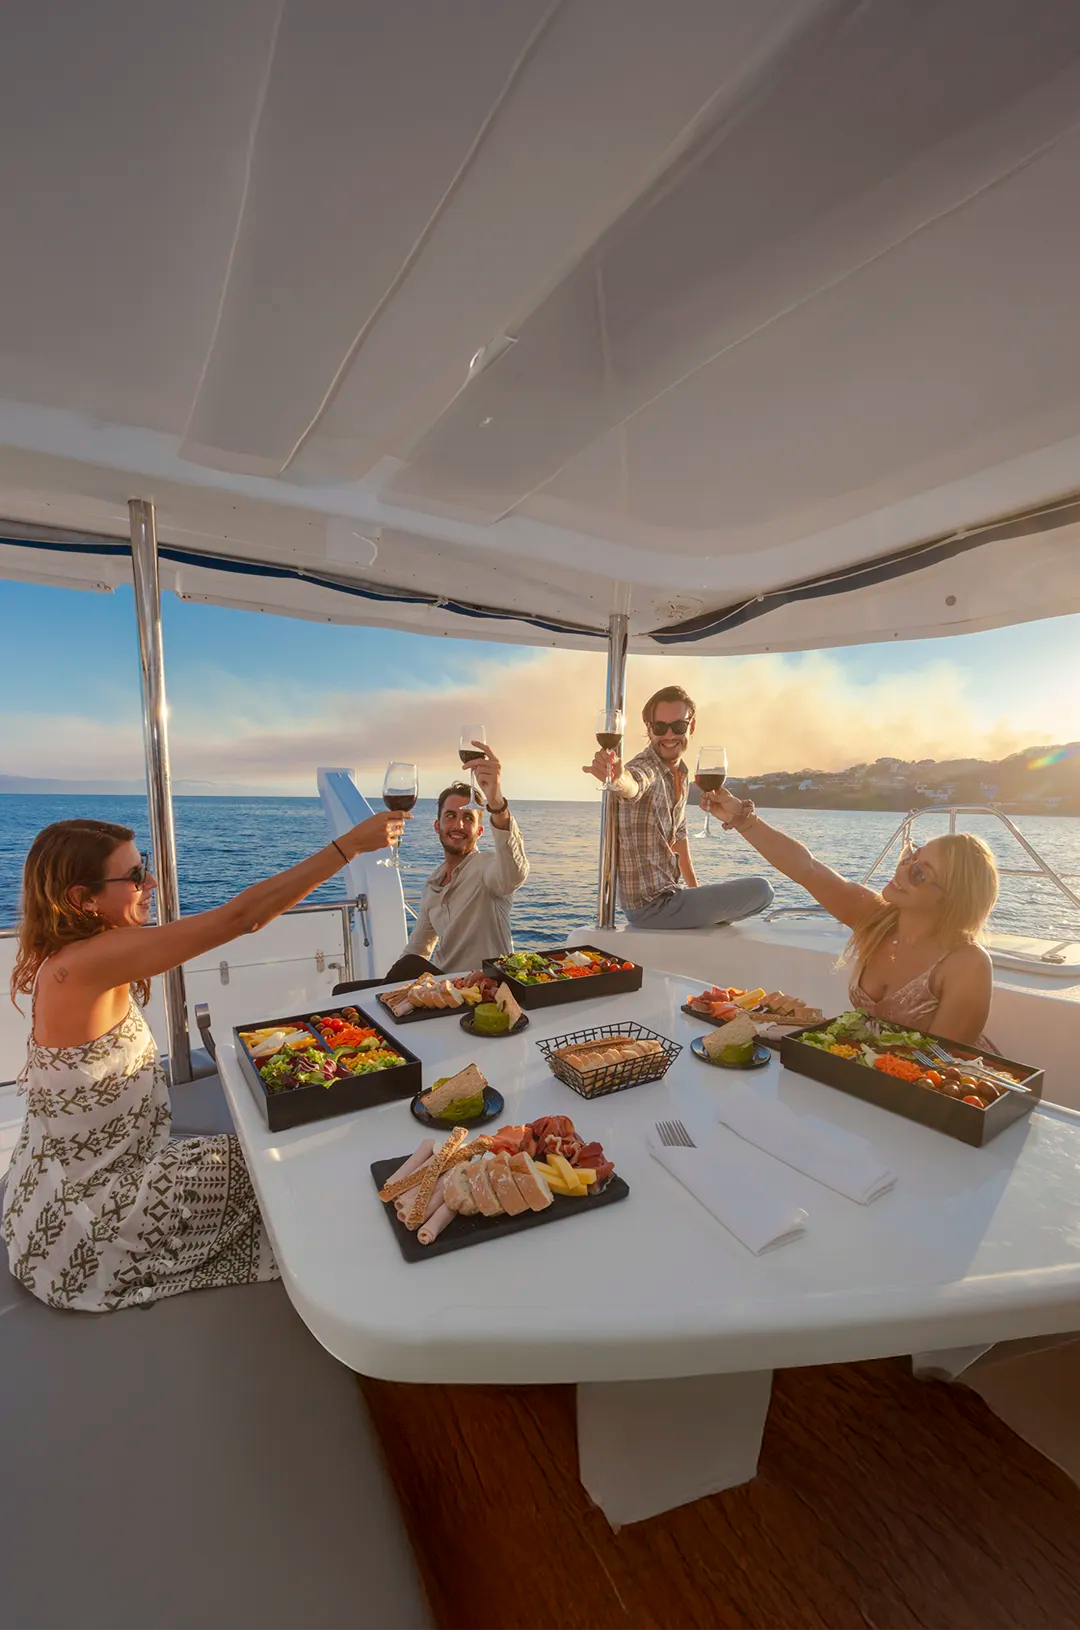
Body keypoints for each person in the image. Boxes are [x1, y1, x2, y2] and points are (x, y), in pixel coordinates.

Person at [2, 808, 404, 1312]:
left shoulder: (71, 956)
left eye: (142, 863)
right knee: (296, 1167)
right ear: (81, 900)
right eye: (132, 876)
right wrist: (349, 848)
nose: (149, 880)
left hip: (58, 1197)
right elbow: (243, 919)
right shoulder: (84, 965)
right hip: (95, 1222)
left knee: (279, 1149)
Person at [706, 785, 998, 1045]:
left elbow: (942, 1064)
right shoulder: (879, 920)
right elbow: (807, 868)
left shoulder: (965, 964)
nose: (902, 870)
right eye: (910, 856)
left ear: (952, 899)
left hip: (930, 1090)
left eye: (920, 873)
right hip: (868, 1074)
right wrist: (743, 820)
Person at [583, 684, 773, 930]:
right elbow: (633, 784)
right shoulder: (645, 766)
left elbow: (679, 839)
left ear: (691, 726)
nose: (669, 735)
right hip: (650, 907)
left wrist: (694, 889)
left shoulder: (681, 774)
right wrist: (618, 778)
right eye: (660, 727)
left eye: (678, 726)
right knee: (762, 890)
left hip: (672, 896)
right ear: (649, 730)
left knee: (750, 895)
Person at [404, 744, 528, 972]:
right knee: (346, 992)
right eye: (450, 816)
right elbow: (417, 950)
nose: (458, 825)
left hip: (487, 991)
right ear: (437, 826)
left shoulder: (488, 870)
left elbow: (513, 875)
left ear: (480, 832)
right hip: (445, 989)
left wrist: (497, 804)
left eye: (468, 818)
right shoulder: (432, 885)